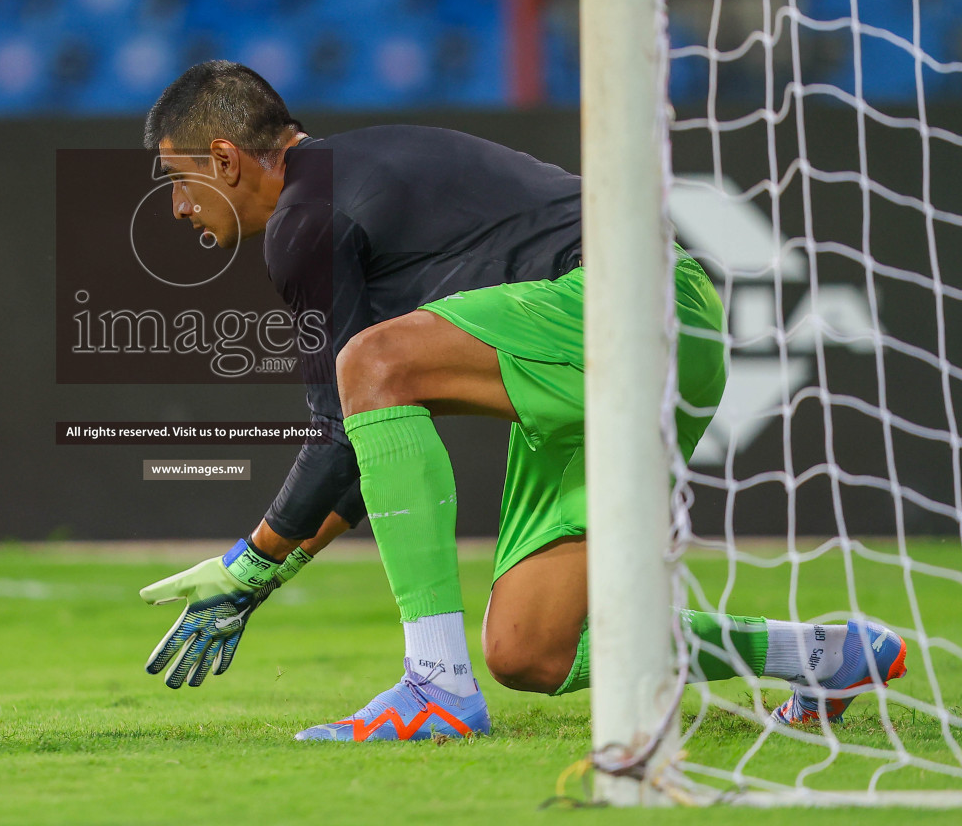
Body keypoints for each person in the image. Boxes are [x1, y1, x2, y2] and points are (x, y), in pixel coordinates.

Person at [137, 60, 908, 741]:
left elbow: (343, 422)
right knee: (530, 653)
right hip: (655, 348)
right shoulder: (361, 168)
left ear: (227, 159)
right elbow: (364, 446)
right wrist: (264, 571)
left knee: (371, 360)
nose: (177, 209)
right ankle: (819, 655)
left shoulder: (306, 219)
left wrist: (250, 565)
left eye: (178, 181)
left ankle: (435, 685)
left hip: (624, 304)